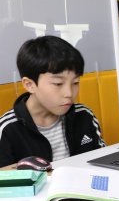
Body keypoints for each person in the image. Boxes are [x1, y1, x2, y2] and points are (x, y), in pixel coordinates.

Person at [0, 36, 105, 168]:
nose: (69, 93)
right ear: (29, 85)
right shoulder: (7, 129)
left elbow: (102, 163)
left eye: (75, 82)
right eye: (58, 83)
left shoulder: (84, 115)